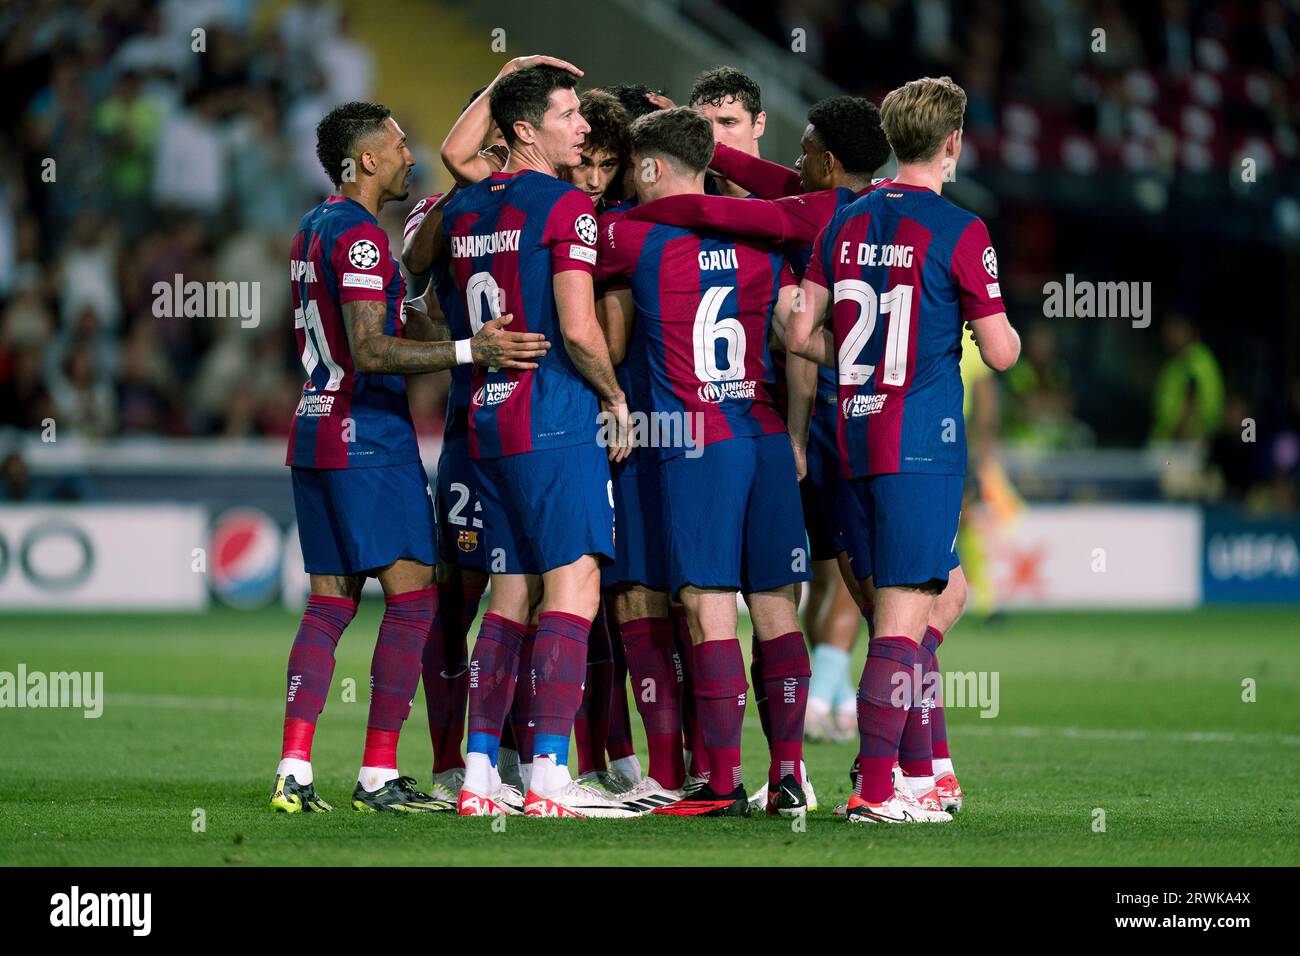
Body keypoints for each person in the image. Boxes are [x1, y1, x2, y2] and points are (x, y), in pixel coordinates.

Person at [272, 101, 548, 814]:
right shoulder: (363, 237)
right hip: (367, 435)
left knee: (330, 603)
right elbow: (369, 349)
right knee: (416, 598)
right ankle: (377, 775)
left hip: (313, 428)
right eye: (397, 146)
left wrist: (446, 321)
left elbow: (378, 321)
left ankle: (294, 770)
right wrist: (470, 350)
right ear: (366, 160)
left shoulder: (314, 226)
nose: (408, 156)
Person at [787, 76, 1020, 824]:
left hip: (849, 435)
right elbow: (1003, 353)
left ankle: (925, 772)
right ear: (952, 143)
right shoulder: (961, 229)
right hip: (918, 444)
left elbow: (798, 332)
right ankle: (878, 790)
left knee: (934, 600)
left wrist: (861, 366)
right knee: (900, 619)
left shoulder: (845, 221)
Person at [597, 107, 813, 817]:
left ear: (653, 168)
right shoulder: (767, 234)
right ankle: (788, 774)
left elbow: (560, 252)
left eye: (632, 167)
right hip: (764, 432)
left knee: (707, 607)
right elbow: (810, 233)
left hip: (699, 439)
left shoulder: (634, 238)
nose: (627, 181)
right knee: (777, 606)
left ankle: (718, 783)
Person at [437, 65, 636, 818]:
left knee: (510, 593)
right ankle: (551, 772)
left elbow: (460, 153)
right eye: (568, 114)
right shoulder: (566, 207)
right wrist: (615, 397)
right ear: (526, 130)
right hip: (553, 415)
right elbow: (580, 328)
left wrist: (502, 78)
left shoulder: (465, 207)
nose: (583, 127)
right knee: (577, 584)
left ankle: (483, 774)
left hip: (486, 417)